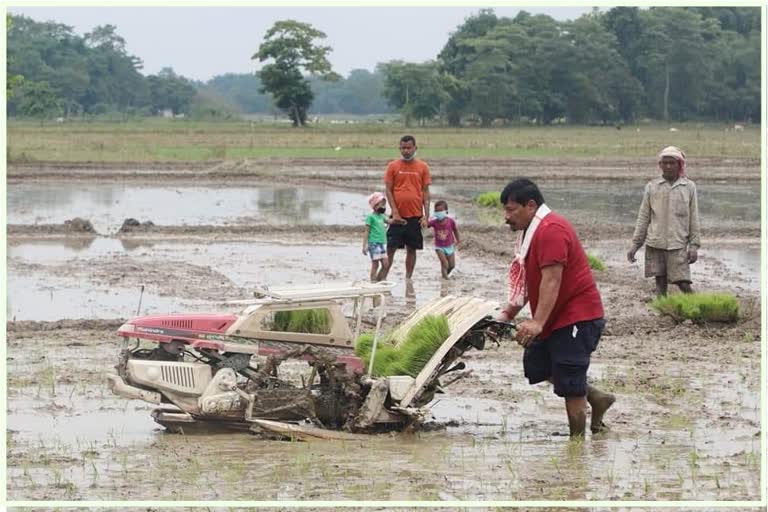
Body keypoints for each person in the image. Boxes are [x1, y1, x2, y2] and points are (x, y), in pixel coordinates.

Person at [496, 178, 615, 438]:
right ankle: (597, 397)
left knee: (570, 380)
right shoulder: (528, 233)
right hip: (555, 315)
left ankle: (576, 445)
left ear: (530, 205)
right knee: (537, 364)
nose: (506, 217)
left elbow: (552, 279)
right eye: (505, 210)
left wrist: (537, 323)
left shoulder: (551, 229)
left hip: (576, 316)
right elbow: (528, 282)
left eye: (511, 210)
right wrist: (506, 315)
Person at [627, 146, 701, 297]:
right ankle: (664, 315)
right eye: (664, 163)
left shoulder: (688, 187)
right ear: (660, 165)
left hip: (678, 244)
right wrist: (635, 244)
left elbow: (694, 218)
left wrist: (694, 246)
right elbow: (643, 217)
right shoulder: (652, 187)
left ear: (679, 164)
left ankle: (697, 310)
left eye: (672, 163)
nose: (668, 166)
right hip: (656, 243)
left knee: (683, 283)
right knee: (660, 284)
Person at [380, 135, 432, 280]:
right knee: (390, 249)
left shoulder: (423, 167)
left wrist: (425, 215)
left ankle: (408, 280)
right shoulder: (393, 166)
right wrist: (395, 212)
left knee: (412, 249)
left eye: (409, 148)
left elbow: (426, 192)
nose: (406, 151)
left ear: (415, 148)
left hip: (415, 215)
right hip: (398, 217)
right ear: (400, 148)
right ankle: (381, 279)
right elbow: (388, 190)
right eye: (403, 148)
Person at [427, 200, 460, 279]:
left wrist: (458, 240)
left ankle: (444, 275)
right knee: (444, 262)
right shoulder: (434, 222)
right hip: (439, 247)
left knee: (452, 265)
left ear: (446, 211)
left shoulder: (450, 221)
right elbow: (427, 225)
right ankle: (445, 278)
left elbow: (455, 230)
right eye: (436, 211)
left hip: (450, 246)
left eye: (441, 211)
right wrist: (424, 221)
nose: (438, 213)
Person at [362, 192, 390, 282]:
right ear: (375, 205)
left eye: (384, 205)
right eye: (381, 205)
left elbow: (390, 221)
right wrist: (364, 245)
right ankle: (373, 281)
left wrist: (399, 220)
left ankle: (380, 279)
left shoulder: (382, 216)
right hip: (374, 243)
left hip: (382, 243)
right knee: (375, 264)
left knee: (386, 264)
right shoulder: (371, 217)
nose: (383, 207)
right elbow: (366, 231)